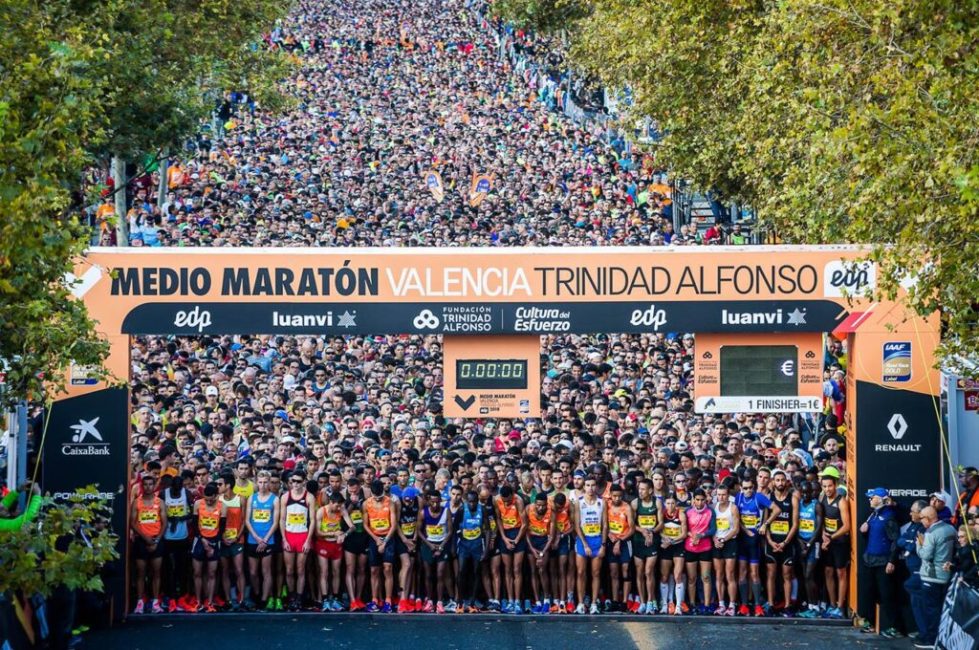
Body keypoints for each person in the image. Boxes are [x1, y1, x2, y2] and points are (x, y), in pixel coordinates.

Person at [908, 506, 956, 648]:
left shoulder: (930, 533)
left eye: (922, 518)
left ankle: (930, 639)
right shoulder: (950, 529)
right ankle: (939, 638)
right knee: (940, 609)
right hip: (946, 576)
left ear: (928, 519)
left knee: (931, 610)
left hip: (931, 577)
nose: (920, 521)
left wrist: (919, 544)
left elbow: (925, 555)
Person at [856, 487, 900, 638]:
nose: (869, 499)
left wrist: (891, 561)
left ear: (882, 500)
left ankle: (894, 626)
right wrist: (864, 531)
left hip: (883, 561)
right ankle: (869, 622)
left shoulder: (889, 517)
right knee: (869, 592)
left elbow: (895, 540)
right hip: (870, 560)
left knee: (887, 594)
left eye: (872, 497)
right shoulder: (873, 515)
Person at [130, 474, 167, 613]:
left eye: (151, 484)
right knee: (141, 573)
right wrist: (145, 538)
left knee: (156, 573)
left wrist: (156, 540)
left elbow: (164, 523)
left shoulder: (160, 502)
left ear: (154, 485)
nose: (148, 487)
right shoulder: (137, 502)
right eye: (145, 484)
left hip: (156, 540)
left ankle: (155, 603)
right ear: (142, 486)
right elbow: (132, 523)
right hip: (141, 540)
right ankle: (140, 603)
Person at [245, 469, 280, 610]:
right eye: (260, 482)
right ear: (256, 483)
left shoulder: (275, 499)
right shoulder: (252, 498)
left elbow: (275, 522)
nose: (263, 485)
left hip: (268, 540)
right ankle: (257, 594)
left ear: (269, 483)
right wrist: (256, 537)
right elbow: (247, 520)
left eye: (266, 482)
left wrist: (265, 540)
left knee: (266, 571)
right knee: (253, 572)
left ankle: (264, 600)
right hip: (253, 539)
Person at [765, 470, 799, 614]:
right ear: (773, 482)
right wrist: (770, 541)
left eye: (782, 480)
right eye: (777, 480)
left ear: (787, 482)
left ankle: (787, 605)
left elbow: (795, 524)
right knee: (771, 575)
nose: (780, 483)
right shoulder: (769, 498)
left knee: (787, 575)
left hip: (787, 543)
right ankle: (771, 604)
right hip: (771, 543)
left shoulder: (793, 499)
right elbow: (765, 523)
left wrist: (785, 543)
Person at [280, 470, 314, 611]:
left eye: (298, 481)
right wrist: (284, 539)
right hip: (289, 535)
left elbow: (312, 520)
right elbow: (282, 519)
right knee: (289, 570)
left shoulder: (309, 497)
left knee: (300, 570)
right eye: (293, 481)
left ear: (304, 481)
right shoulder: (285, 497)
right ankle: (291, 597)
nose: (295, 484)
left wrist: (308, 540)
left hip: (302, 535)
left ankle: (299, 598)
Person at [819, 470, 850, 619]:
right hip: (828, 541)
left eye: (830, 486)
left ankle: (840, 606)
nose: (827, 489)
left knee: (840, 573)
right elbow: (821, 519)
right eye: (824, 486)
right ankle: (832, 604)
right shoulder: (822, 498)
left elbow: (846, 526)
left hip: (839, 542)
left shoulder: (841, 501)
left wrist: (831, 537)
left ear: (835, 485)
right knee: (828, 572)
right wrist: (823, 534)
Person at [363, 478, 397, 612]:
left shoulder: (390, 502)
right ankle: (374, 600)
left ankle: (388, 601)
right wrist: (376, 539)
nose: (378, 499)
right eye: (375, 497)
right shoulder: (366, 503)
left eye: (380, 497)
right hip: (374, 537)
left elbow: (394, 525)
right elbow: (365, 524)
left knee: (388, 568)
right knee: (374, 570)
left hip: (388, 537)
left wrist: (384, 541)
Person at [573, 477, 606, 614]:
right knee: (581, 572)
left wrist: (603, 544)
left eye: (593, 485)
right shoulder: (579, 502)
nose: (590, 488)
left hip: (597, 539)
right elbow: (577, 525)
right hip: (583, 540)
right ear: (584, 487)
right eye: (587, 485)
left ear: (596, 487)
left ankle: (593, 603)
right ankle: (580, 603)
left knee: (596, 573)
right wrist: (585, 545)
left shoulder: (602, 502)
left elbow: (605, 525)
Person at [191, 482, 225, 612]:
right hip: (200, 540)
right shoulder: (198, 504)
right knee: (197, 572)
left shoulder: (223, 506)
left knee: (212, 573)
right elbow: (195, 526)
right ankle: (198, 601)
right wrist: (203, 540)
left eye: (211, 500)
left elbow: (221, 528)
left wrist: (212, 545)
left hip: (214, 541)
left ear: (216, 496)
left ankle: (210, 602)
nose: (208, 502)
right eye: (206, 499)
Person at [314, 491, 350, 611]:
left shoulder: (341, 510)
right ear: (331, 502)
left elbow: (352, 527)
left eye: (340, 506)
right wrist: (333, 533)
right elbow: (317, 532)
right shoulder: (321, 511)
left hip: (336, 545)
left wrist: (344, 534)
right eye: (337, 506)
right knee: (324, 572)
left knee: (336, 572)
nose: (338, 508)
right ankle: (325, 600)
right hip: (323, 544)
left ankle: (335, 599)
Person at [495, 485, 527, 614]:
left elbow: (524, 524)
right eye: (504, 501)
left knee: (517, 569)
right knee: (507, 569)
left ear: (512, 495)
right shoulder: (497, 500)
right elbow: (498, 519)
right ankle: (510, 600)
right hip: (505, 534)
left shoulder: (518, 501)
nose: (506, 503)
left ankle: (518, 601)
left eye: (508, 500)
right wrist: (504, 539)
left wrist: (516, 540)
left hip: (518, 532)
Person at [632, 478, 663, 615]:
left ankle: (651, 601)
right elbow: (631, 523)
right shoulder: (635, 503)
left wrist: (651, 532)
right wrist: (642, 531)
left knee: (649, 571)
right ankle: (643, 602)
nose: (640, 492)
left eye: (643, 489)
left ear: (650, 490)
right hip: (639, 541)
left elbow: (661, 523)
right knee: (639, 572)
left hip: (652, 541)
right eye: (639, 489)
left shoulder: (657, 502)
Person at [216, 473, 246, 610]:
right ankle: (228, 600)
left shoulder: (241, 499)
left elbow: (244, 521)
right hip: (223, 540)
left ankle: (242, 600)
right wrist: (222, 537)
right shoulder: (218, 499)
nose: (217, 486)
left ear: (228, 485)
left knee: (239, 570)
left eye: (220, 484)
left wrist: (237, 537)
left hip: (237, 540)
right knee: (225, 570)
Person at [420, 489, 453, 612]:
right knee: (428, 574)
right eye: (432, 502)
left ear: (440, 501)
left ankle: (439, 602)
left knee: (440, 574)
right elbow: (419, 531)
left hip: (442, 544)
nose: (435, 504)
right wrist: (429, 545)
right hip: (428, 545)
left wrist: (441, 546)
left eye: (437, 502)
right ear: (428, 501)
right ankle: (429, 601)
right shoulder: (423, 513)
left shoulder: (446, 511)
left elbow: (450, 531)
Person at [684, 488, 716, 615]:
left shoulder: (710, 512)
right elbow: (683, 528)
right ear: (693, 500)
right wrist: (692, 535)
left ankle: (707, 605)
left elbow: (713, 529)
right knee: (691, 578)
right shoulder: (687, 512)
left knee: (706, 577)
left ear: (706, 500)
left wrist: (701, 535)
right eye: (697, 500)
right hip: (690, 547)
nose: (700, 502)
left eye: (702, 500)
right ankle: (692, 604)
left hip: (705, 548)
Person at [795, 480, 824, 618]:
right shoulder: (799, 504)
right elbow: (795, 524)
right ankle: (810, 605)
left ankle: (816, 605)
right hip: (801, 542)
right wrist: (800, 542)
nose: (805, 495)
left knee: (809, 575)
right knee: (805, 577)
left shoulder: (816, 505)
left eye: (808, 492)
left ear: (812, 492)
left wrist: (808, 545)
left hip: (813, 544)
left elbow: (818, 528)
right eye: (803, 492)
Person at [712, 481, 740, 616]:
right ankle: (721, 604)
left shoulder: (733, 508)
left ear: (728, 495)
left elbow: (736, 529)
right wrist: (715, 539)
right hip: (717, 542)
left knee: (730, 574)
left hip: (729, 542)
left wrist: (724, 539)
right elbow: (710, 527)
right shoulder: (714, 507)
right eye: (719, 495)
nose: (721, 497)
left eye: (723, 495)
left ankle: (732, 605)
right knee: (719, 575)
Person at [525, 492, 555, 613]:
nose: (540, 508)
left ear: (547, 504)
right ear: (535, 504)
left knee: (542, 570)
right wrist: (533, 550)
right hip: (532, 541)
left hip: (544, 542)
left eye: (543, 505)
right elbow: (525, 531)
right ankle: (537, 602)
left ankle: (546, 600)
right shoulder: (528, 509)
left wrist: (542, 553)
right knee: (533, 571)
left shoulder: (551, 512)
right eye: (538, 505)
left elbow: (552, 536)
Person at [605, 484, 634, 612]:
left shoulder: (627, 507)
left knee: (625, 570)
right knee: (614, 572)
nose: (617, 498)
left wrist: (620, 541)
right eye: (614, 496)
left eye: (619, 496)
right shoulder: (607, 506)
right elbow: (603, 524)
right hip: (611, 541)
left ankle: (625, 602)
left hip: (624, 541)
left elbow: (632, 528)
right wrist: (608, 534)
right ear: (610, 495)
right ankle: (615, 601)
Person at [658, 494, 687, 615]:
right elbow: (659, 529)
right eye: (668, 503)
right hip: (666, 546)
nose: (670, 506)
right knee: (664, 576)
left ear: (676, 504)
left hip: (677, 545)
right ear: (665, 504)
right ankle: (665, 604)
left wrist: (672, 541)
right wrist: (665, 538)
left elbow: (684, 533)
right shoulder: (662, 513)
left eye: (673, 503)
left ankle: (678, 606)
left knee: (678, 575)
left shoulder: (681, 514)